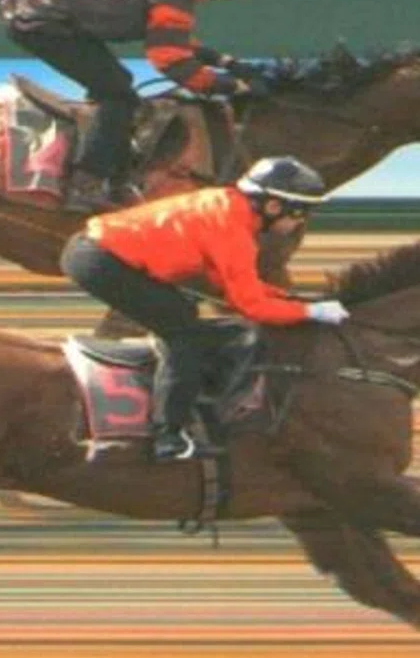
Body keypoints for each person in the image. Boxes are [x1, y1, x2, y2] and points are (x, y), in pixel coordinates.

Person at [60, 156, 349, 463]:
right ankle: (169, 438)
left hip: (97, 253)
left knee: (185, 318)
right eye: (300, 212)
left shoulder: (228, 207)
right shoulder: (232, 230)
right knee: (184, 337)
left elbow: (236, 286)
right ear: (274, 206)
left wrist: (293, 302)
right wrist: (309, 313)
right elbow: (251, 306)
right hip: (101, 262)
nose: (301, 223)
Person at [0, 0, 272, 206]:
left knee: (114, 85)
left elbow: (171, 35)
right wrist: (233, 87)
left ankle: (101, 142)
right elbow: (171, 61)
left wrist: (228, 63)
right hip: (38, 21)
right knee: (118, 94)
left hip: (37, 8)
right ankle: (85, 184)